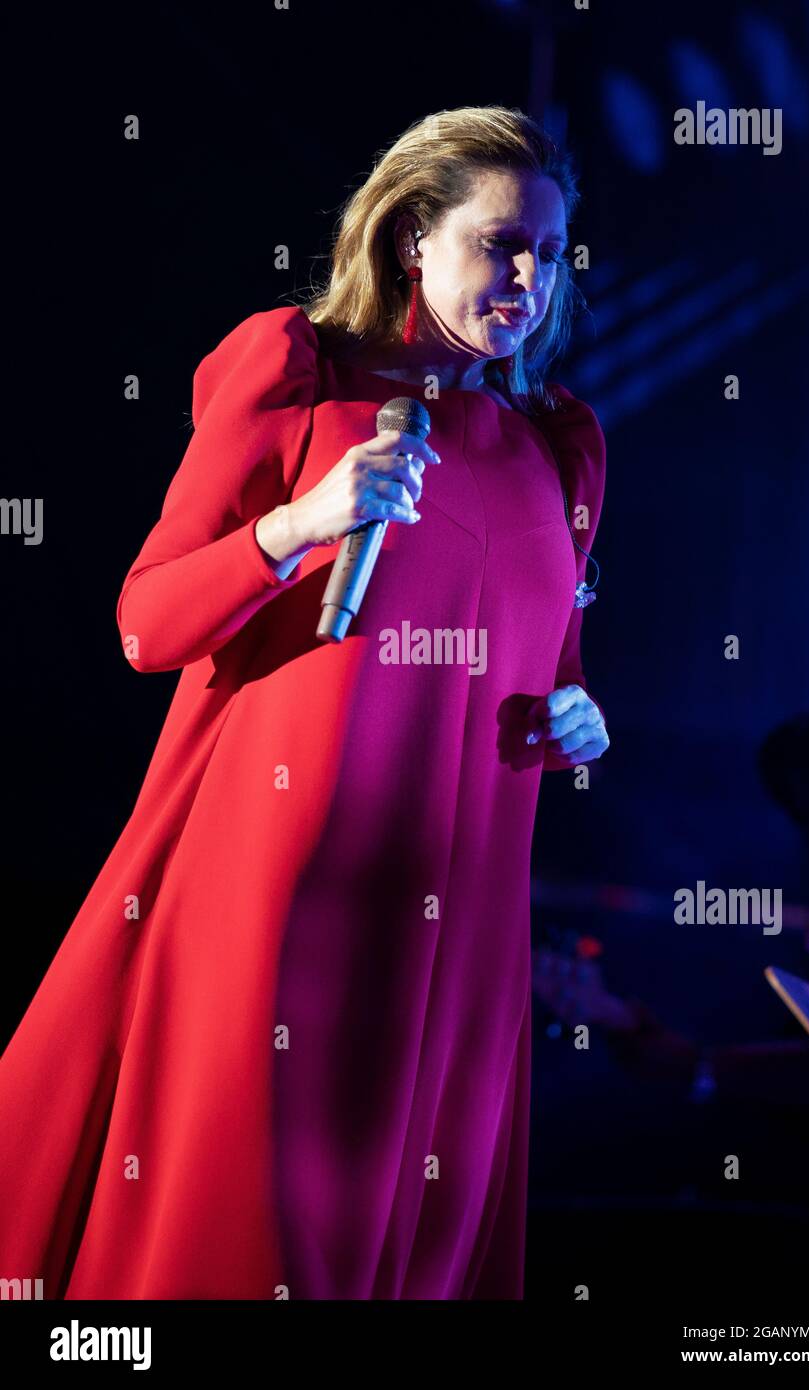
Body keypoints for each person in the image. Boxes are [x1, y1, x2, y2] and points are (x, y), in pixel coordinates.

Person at [0, 106, 608, 1300]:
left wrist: (574, 720)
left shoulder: (560, 441)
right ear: (409, 242)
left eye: (547, 248)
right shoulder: (298, 376)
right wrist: (301, 525)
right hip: (281, 900)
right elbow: (145, 625)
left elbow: (560, 663)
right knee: (256, 1237)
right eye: (499, 243)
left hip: (462, 917)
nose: (528, 276)